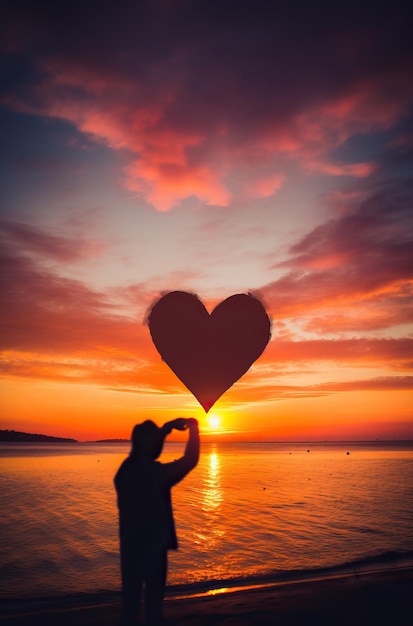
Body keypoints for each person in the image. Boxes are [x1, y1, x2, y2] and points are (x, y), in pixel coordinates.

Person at [114, 417, 200, 626]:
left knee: (130, 604)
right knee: (153, 606)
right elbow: (190, 460)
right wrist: (194, 431)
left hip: (131, 547)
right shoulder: (156, 475)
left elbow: (145, 449)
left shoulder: (125, 471)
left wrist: (166, 429)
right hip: (153, 548)